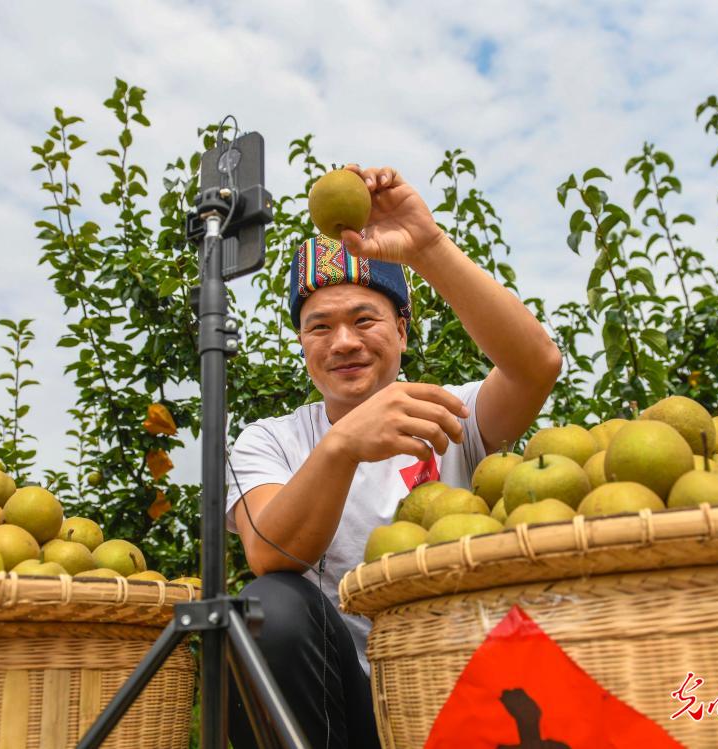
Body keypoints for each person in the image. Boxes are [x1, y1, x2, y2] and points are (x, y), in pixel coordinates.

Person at [224, 164, 562, 748]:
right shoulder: (271, 441)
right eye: (319, 327)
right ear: (302, 345)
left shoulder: (449, 414)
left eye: (364, 319)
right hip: (346, 708)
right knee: (266, 608)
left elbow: (537, 367)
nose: (344, 343)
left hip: (463, 686)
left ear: (402, 330)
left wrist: (427, 247)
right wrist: (344, 444)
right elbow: (270, 553)